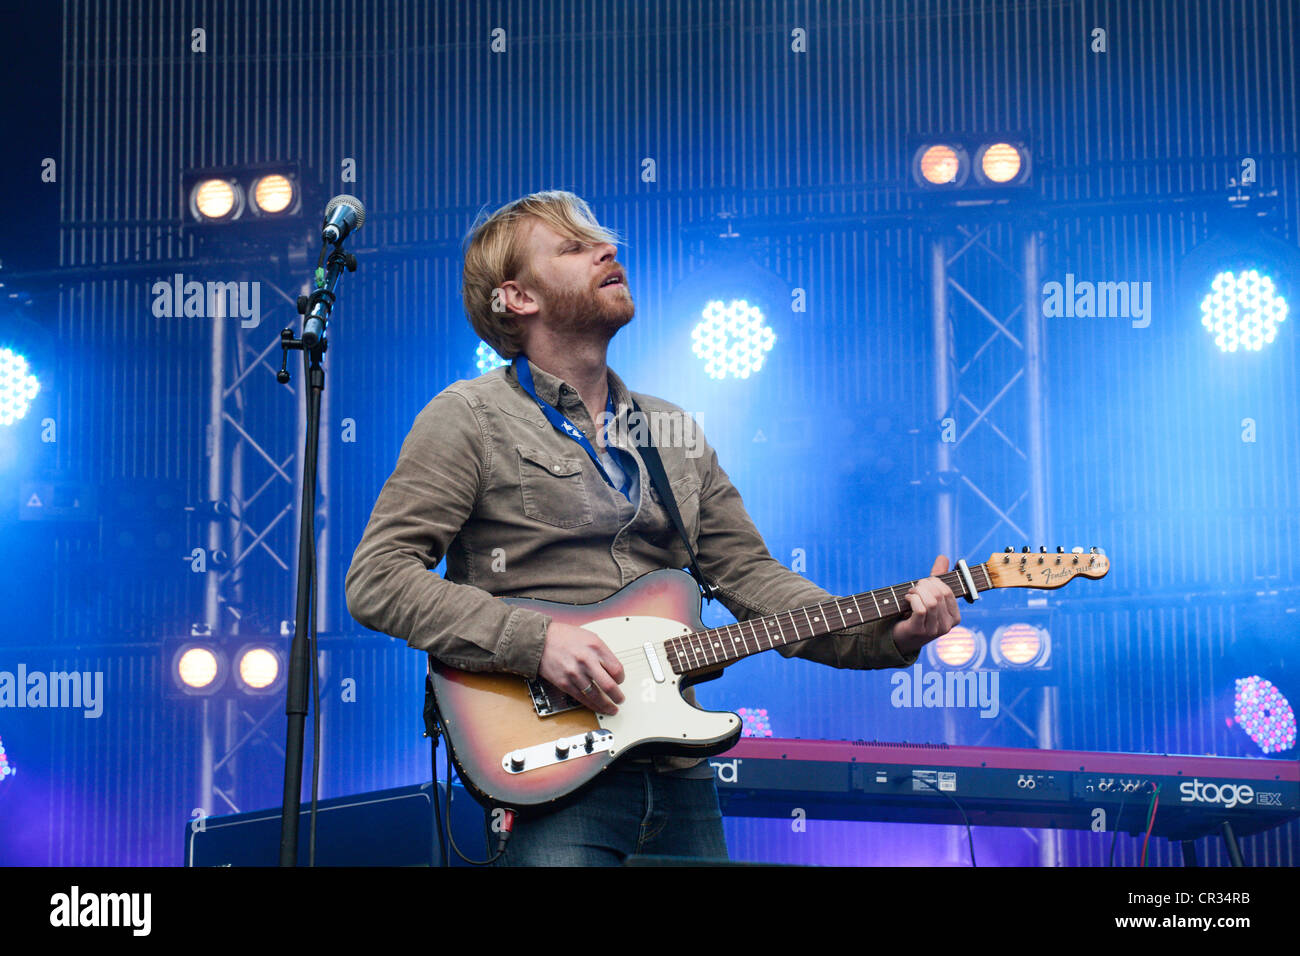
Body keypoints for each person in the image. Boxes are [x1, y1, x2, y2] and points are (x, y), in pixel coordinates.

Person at [344, 189, 961, 865]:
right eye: (575, 247)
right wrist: (537, 642)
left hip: (677, 771)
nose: (608, 250)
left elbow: (754, 580)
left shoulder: (672, 432)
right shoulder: (467, 417)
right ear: (517, 298)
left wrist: (891, 632)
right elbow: (378, 578)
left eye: (601, 241)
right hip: (545, 766)